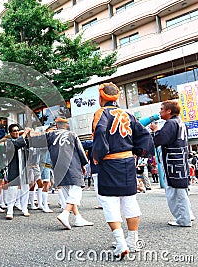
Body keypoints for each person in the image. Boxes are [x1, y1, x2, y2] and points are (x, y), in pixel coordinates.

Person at [92, 83, 154, 258]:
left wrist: (97, 154)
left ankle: (120, 243)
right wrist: (139, 152)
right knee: (129, 200)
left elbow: (101, 131)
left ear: (101, 98)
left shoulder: (101, 113)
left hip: (110, 162)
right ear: (117, 97)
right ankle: (133, 241)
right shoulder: (127, 113)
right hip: (127, 161)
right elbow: (144, 134)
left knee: (109, 201)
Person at [150, 100, 194, 227]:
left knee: (175, 192)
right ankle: (187, 215)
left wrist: (155, 131)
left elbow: (160, 139)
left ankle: (183, 219)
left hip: (173, 161)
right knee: (182, 189)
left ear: (169, 111)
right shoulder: (180, 123)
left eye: (162, 109)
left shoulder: (170, 123)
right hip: (181, 160)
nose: (160, 112)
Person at [4, 124, 31, 220]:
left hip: (24, 168)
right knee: (12, 190)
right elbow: (16, 144)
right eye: (14, 131)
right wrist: (24, 134)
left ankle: (24, 208)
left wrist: (29, 133)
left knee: (25, 188)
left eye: (17, 130)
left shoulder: (23, 140)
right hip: (13, 168)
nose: (16, 132)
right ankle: (10, 210)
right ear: (10, 133)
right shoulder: (8, 141)